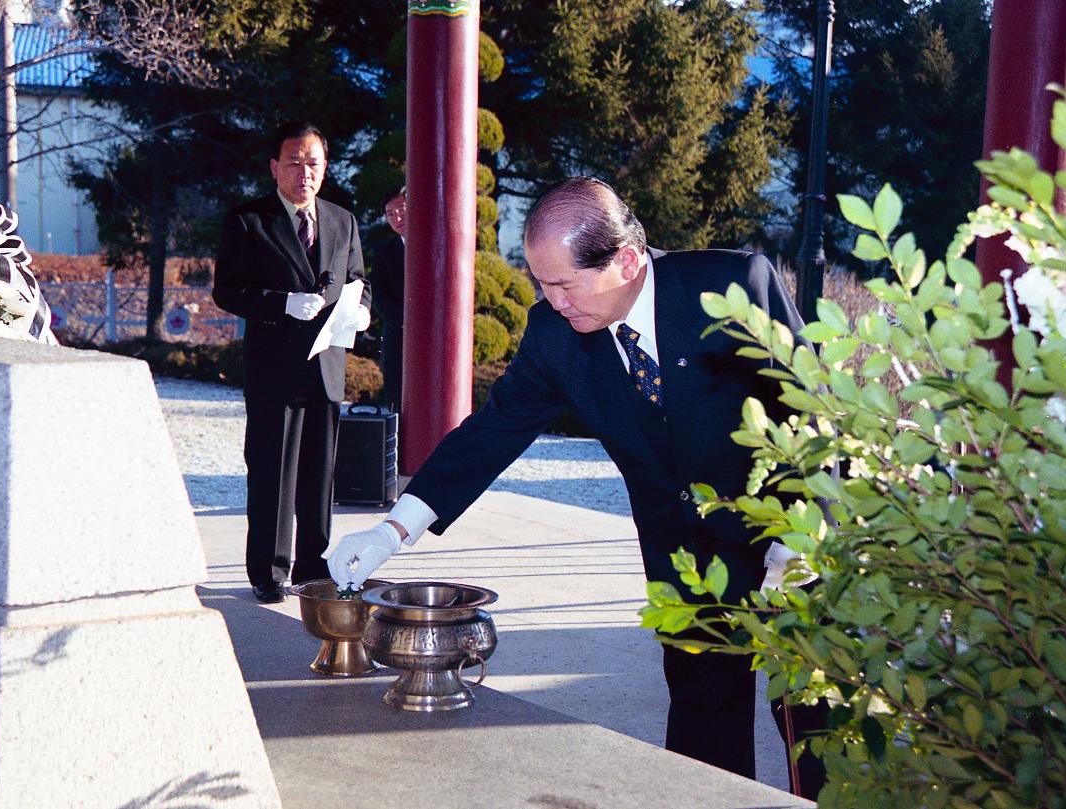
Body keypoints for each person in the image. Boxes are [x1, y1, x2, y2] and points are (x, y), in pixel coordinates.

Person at [324, 176, 824, 796]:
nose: (553, 301)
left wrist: (808, 527)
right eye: (541, 283)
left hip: (789, 544)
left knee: (814, 718)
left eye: (564, 284)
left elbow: (811, 407)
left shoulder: (730, 288)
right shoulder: (556, 336)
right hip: (685, 556)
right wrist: (391, 529)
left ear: (626, 260)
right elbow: (491, 433)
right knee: (702, 711)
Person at [212, 121, 371, 604]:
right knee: (272, 470)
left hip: (326, 364)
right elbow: (227, 290)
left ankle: (311, 562)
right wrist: (280, 303)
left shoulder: (342, 219)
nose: (305, 172)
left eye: (314, 163)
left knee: (320, 472)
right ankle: (268, 569)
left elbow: (358, 276)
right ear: (275, 167)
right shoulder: (248, 220)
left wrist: (362, 310)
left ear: (326, 168)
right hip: (274, 367)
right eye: (295, 162)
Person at [369, 187, 407, 411]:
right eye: (390, 214)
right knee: (397, 400)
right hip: (397, 337)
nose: (397, 218)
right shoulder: (384, 251)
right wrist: (405, 320)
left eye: (401, 210)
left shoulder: (437, 243)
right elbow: (379, 295)